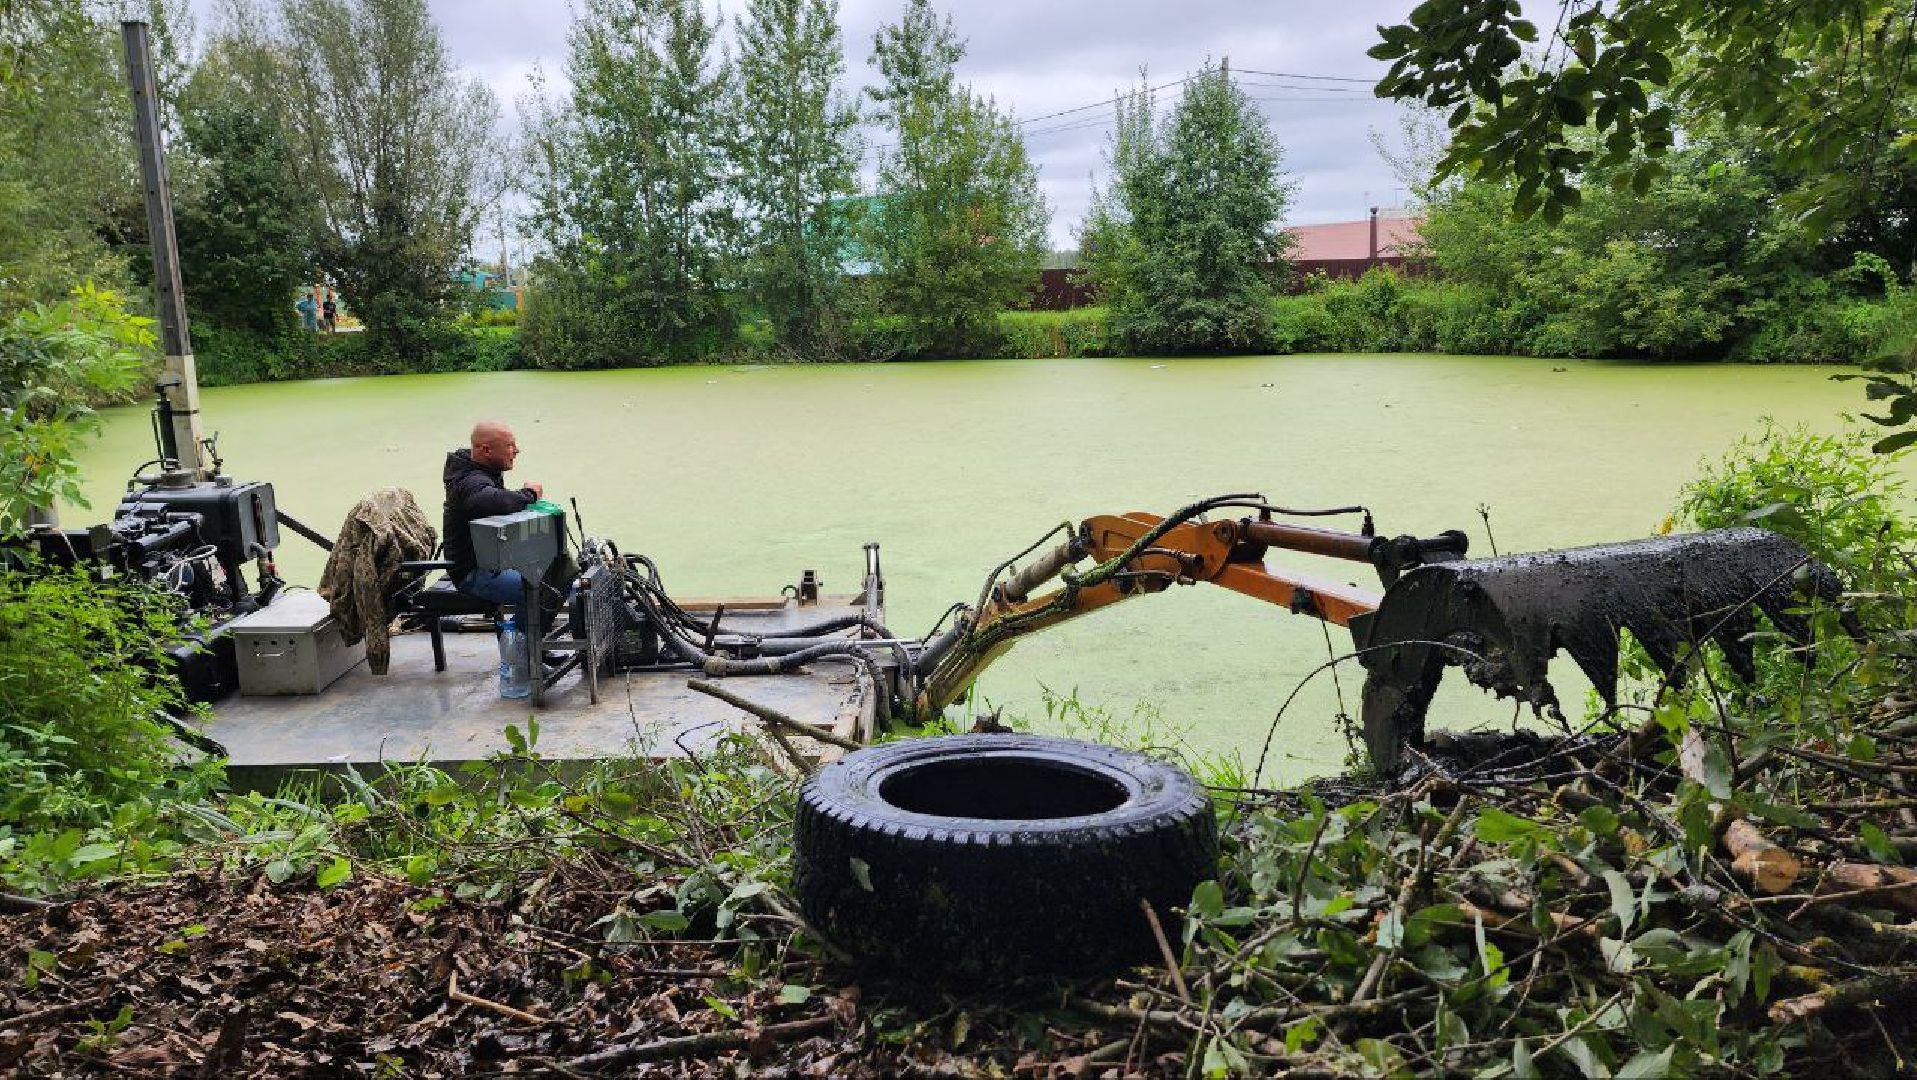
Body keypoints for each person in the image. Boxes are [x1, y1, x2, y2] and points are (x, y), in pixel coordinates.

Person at [442, 420, 545, 606]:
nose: (516, 451)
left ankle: (523, 630)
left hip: (492, 564)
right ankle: (516, 634)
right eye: (509, 446)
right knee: (543, 590)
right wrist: (528, 494)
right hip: (474, 574)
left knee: (553, 577)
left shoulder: (481, 470)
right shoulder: (470, 483)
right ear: (486, 451)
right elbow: (496, 500)